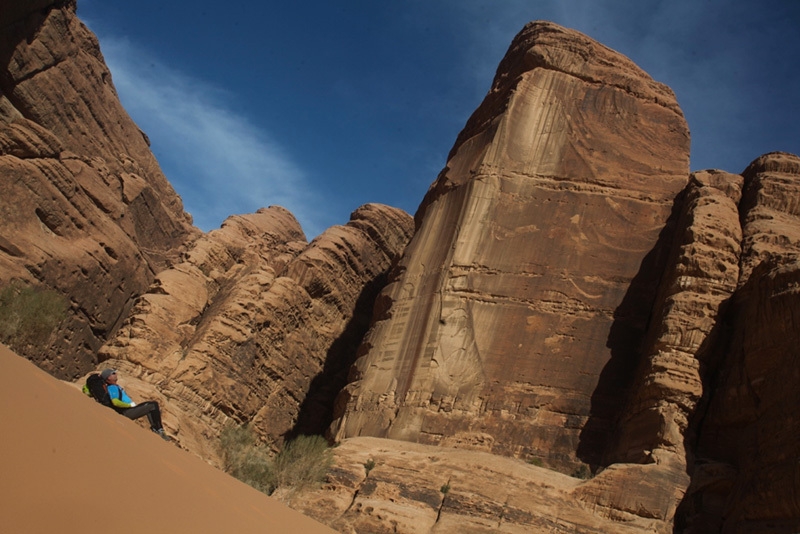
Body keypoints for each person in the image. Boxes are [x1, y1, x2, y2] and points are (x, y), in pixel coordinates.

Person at [100, 368, 171, 441]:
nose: (116, 374)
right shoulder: (112, 387)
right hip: (125, 412)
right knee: (152, 405)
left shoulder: (116, 386)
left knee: (151, 407)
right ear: (109, 377)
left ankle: (157, 429)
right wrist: (130, 405)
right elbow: (115, 402)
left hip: (127, 410)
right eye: (113, 373)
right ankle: (158, 430)